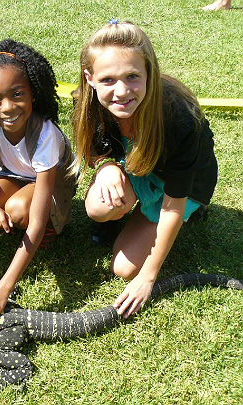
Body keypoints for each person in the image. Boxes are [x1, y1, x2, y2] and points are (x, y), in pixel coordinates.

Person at [71, 20, 218, 318]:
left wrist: (148, 277)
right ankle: (127, 213)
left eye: (133, 76)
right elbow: (90, 145)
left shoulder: (180, 119)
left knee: (124, 269)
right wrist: (105, 166)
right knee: (98, 207)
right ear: (90, 78)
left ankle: (192, 213)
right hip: (135, 166)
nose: (121, 91)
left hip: (179, 186)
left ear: (149, 72)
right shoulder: (87, 102)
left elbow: (172, 206)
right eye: (108, 79)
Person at [0, 39, 75, 324]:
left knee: (21, 211)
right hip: (15, 176)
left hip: (51, 187)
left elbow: (35, 216)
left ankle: (50, 233)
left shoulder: (45, 135)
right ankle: (7, 218)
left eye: (17, 94)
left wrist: (3, 287)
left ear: (33, 92)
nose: (7, 107)